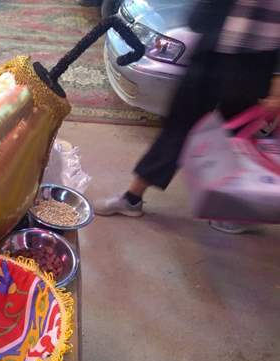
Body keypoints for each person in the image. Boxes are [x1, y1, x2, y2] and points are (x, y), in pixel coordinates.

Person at [95, 0, 280, 233]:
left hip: (256, 64)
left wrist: (277, 81)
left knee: (234, 140)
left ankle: (234, 210)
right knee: (178, 125)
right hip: (212, 50)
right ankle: (132, 198)